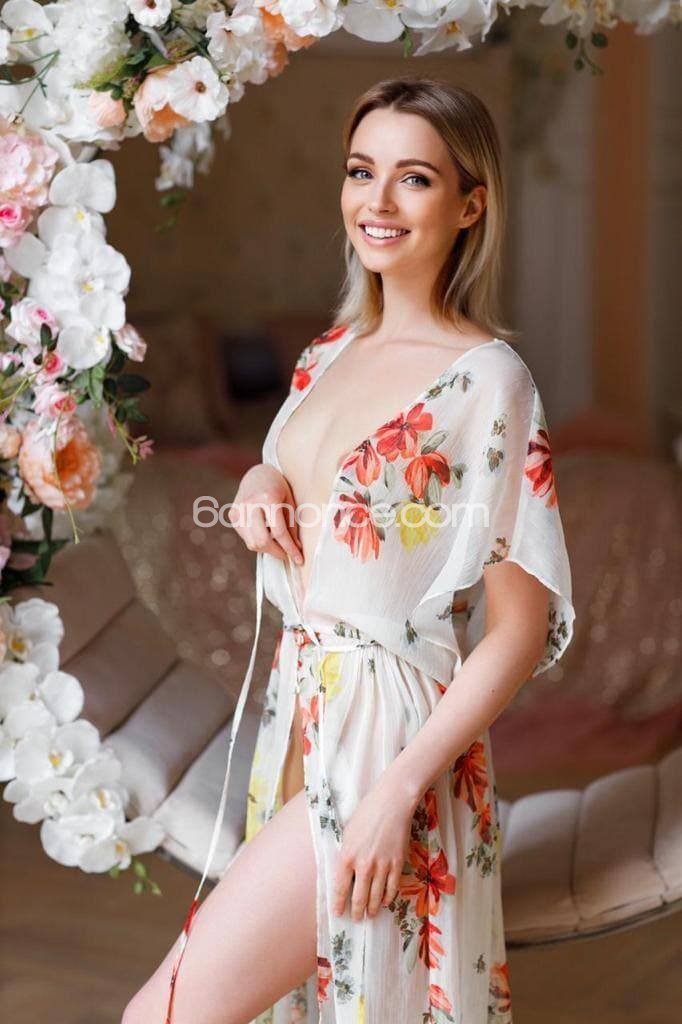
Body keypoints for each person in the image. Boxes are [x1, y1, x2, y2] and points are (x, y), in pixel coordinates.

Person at [122, 75, 575, 1024]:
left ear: (470, 205)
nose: (378, 201)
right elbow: (304, 475)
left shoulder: (489, 382)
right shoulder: (324, 355)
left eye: (415, 178)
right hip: (296, 717)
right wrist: (259, 480)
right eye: (362, 170)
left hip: (386, 739)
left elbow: (518, 629)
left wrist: (397, 790)